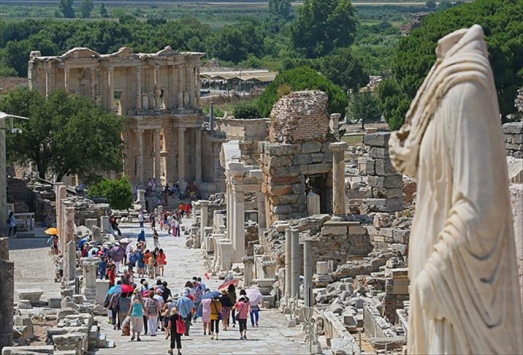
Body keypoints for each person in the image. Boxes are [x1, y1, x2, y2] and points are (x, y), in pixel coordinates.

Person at [388, 25, 522, 354]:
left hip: (455, 286)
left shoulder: (467, 91)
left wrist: (437, 276)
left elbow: (481, 206)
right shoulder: (445, 87)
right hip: (438, 283)